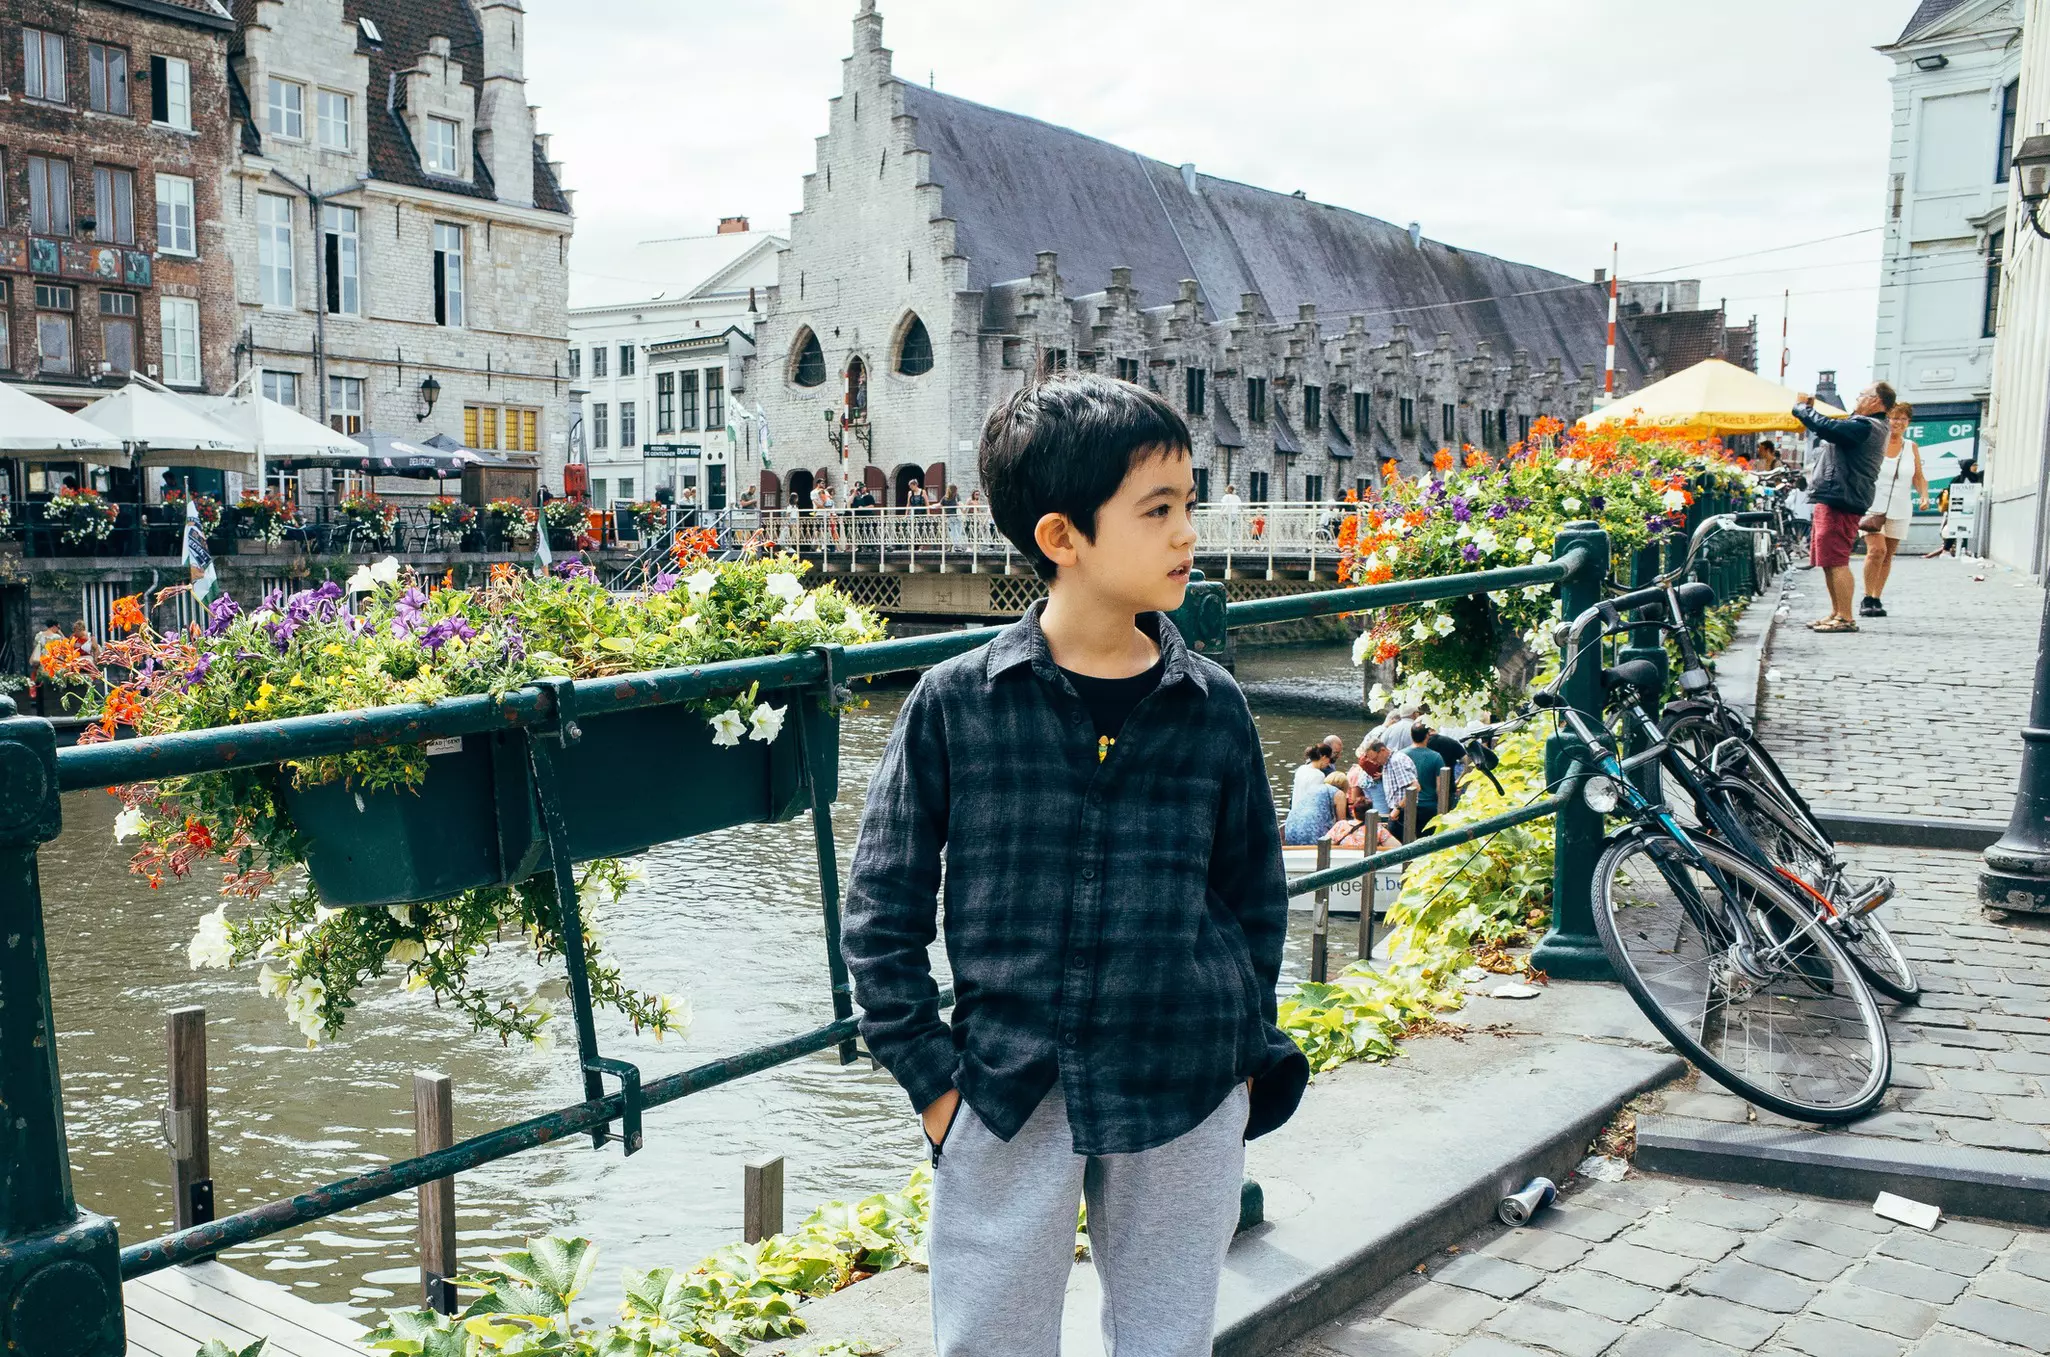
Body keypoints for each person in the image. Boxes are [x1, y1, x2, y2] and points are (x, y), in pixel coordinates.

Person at [840, 373, 1306, 1355]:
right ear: (1061, 537)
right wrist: (936, 1090)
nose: (1188, 532)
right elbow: (880, 911)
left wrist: (1241, 1054)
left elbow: (1254, 896)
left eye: (1188, 504)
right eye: (1157, 510)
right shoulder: (955, 702)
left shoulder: (1211, 703)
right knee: (989, 1340)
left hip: (1186, 1073)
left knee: (1167, 1340)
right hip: (1010, 1084)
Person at [1793, 382, 1894, 632]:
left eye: (1862, 395)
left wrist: (1801, 409)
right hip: (1834, 496)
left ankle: (1846, 617)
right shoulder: (1863, 424)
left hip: (1842, 497)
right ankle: (1837, 612)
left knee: (1837, 559)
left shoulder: (1866, 426)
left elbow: (1828, 428)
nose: (1857, 398)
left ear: (1876, 402)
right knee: (1827, 559)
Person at [1858, 402, 1928, 618]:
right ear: (1886, 419)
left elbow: (1918, 476)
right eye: (1894, 418)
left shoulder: (1911, 447)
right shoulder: (1875, 442)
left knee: (1888, 554)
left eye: (1903, 419)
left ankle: (1877, 597)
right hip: (1872, 505)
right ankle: (1866, 596)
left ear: (1908, 423)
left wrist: (1924, 495)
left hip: (1900, 506)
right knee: (1876, 551)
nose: (1897, 422)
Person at [1283, 744, 1345, 845]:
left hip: (1294, 814)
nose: (1328, 763)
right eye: (1329, 759)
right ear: (1324, 757)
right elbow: (1318, 799)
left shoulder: (1301, 769)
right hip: (1307, 815)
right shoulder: (1318, 775)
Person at [1405, 724, 1448, 833]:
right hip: (1429, 806)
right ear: (1427, 736)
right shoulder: (1436, 757)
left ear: (1411, 735)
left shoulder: (1402, 755)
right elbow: (1440, 787)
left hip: (1407, 805)